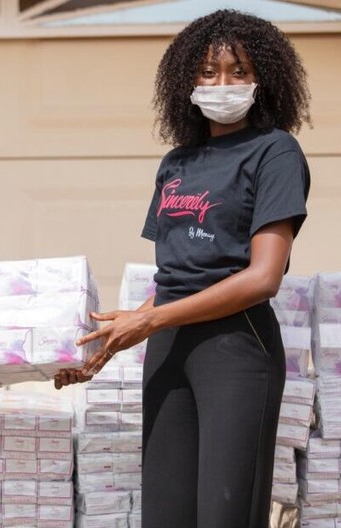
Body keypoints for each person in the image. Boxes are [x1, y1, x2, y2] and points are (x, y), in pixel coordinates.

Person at [54, 10, 310, 528]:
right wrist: (111, 340)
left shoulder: (275, 151)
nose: (223, 83)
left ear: (264, 79)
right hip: (170, 351)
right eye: (208, 72)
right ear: (186, 82)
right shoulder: (177, 162)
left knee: (225, 513)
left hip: (236, 349)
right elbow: (176, 279)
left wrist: (150, 321)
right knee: (166, 514)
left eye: (239, 71)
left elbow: (263, 277)